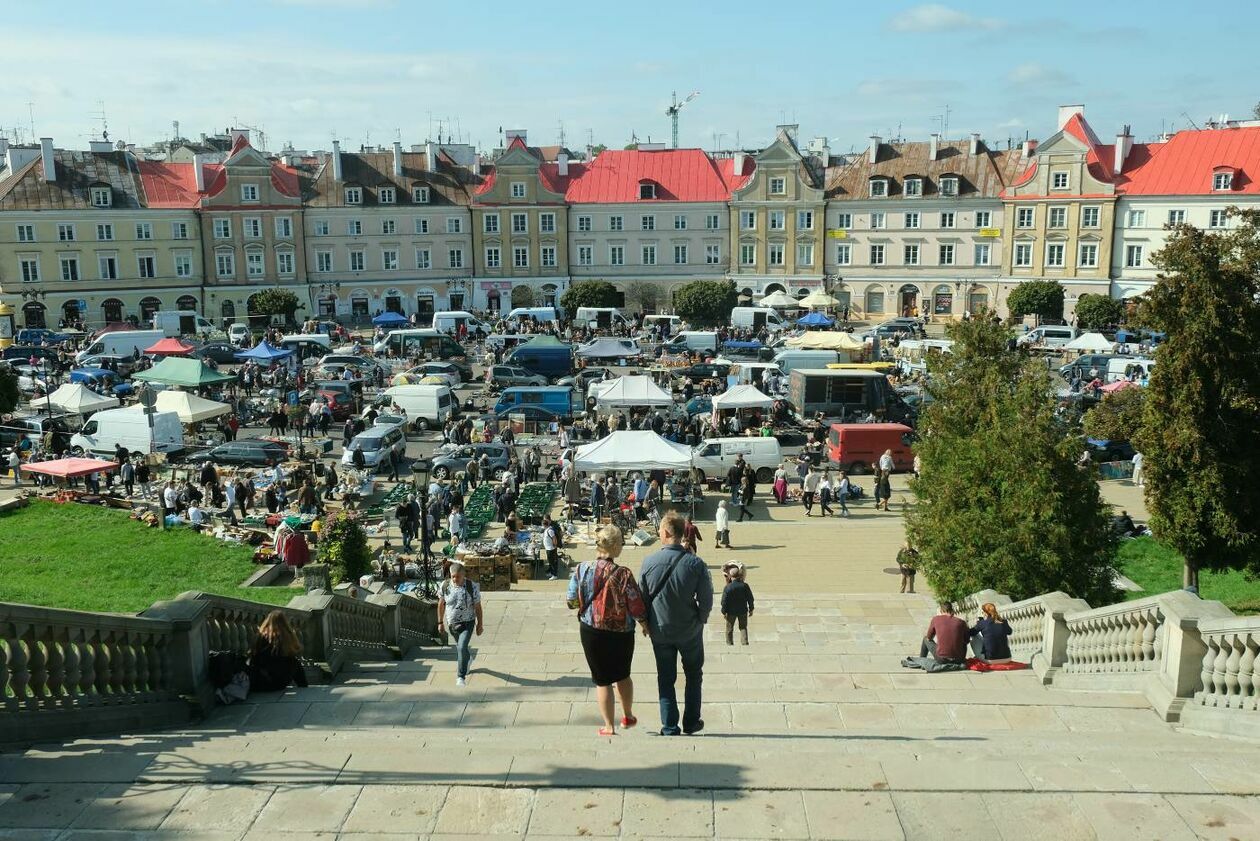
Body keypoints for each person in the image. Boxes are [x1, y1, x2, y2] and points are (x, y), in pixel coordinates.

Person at [567, 525, 648, 735]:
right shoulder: (623, 574)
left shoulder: (581, 569)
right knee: (622, 675)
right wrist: (644, 623)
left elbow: (571, 601)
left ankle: (608, 726)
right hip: (621, 633)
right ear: (614, 547)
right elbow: (635, 604)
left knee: (602, 680)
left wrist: (588, 607)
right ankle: (628, 716)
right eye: (620, 542)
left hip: (591, 630)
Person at [639, 511, 713, 736]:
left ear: (666, 533)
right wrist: (701, 619)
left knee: (665, 677)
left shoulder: (649, 562)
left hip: (660, 630)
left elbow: (641, 599)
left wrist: (644, 623)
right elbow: (707, 598)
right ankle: (691, 721)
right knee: (693, 674)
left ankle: (670, 725)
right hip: (689, 629)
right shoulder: (695, 563)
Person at [438, 561, 483, 686]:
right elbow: (441, 604)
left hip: (467, 622)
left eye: (458, 577)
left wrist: (480, 624)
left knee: (461, 647)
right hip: (452, 623)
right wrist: (440, 622)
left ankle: (460, 677)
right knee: (461, 648)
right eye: (453, 576)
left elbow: (478, 607)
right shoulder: (445, 585)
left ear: (463, 576)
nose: (455, 579)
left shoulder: (471, 586)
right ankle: (468, 659)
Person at [246, 610, 308, 693]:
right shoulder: (287, 635)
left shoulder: (260, 636)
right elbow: (294, 651)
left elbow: (253, 656)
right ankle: (303, 685)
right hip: (279, 682)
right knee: (295, 662)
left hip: (261, 680)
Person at [720, 563, 754, 646]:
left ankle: (729, 643)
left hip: (731, 611)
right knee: (743, 627)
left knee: (729, 628)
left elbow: (724, 601)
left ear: (730, 576)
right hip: (742, 610)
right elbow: (750, 598)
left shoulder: (728, 587)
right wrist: (751, 608)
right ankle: (744, 642)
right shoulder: (745, 586)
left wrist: (723, 611)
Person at [542, 513, 559, 580]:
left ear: (544, 525)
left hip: (551, 548)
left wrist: (554, 545)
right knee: (550, 561)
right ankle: (551, 573)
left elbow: (554, 538)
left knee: (552, 562)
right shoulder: (547, 529)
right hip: (549, 548)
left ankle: (554, 575)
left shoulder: (550, 530)